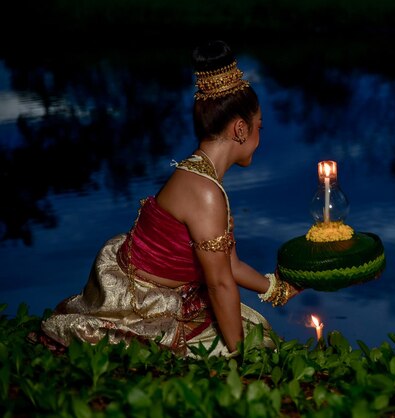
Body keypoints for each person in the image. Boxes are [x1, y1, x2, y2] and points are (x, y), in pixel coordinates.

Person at [37, 40, 300, 358]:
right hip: (141, 303)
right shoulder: (205, 193)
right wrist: (241, 356)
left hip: (166, 288)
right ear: (241, 129)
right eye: (259, 127)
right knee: (258, 342)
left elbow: (228, 265)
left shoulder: (198, 172)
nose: (260, 137)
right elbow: (218, 284)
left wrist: (277, 289)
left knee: (254, 325)